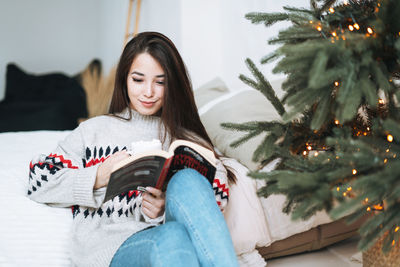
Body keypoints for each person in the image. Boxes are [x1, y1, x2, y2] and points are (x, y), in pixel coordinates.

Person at [27, 31, 238, 267]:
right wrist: (98, 175)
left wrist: (165, 205)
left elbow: (215, 195)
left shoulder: (185, 138)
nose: (148, 92)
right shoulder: (94, 130)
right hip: (111, 248)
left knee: (187, 183)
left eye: (160, 82)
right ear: (124, 80)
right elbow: (39, 180)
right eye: (138, 80)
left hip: (169, 237)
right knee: (172, 237)